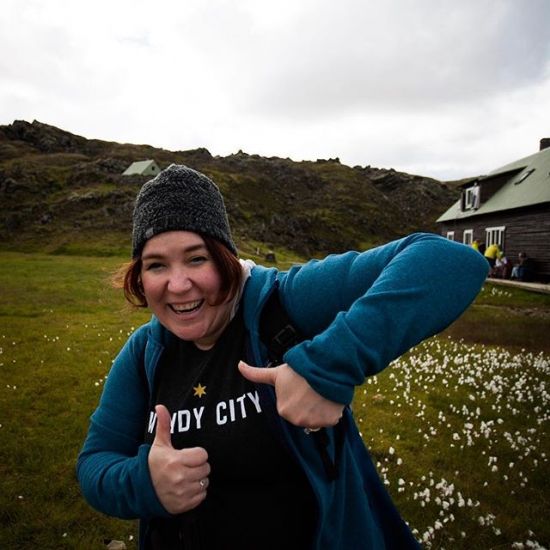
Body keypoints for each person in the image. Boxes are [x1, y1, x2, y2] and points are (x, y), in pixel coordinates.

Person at [77, 164, 489, 549]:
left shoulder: (283, 303)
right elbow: (95, 463)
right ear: (140, 277)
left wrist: (328, 366)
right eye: (156, 265)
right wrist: (143, 482)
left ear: (226, 260)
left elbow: (448, 261)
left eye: (196, 258)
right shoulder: (145, 351)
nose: (178, 284)